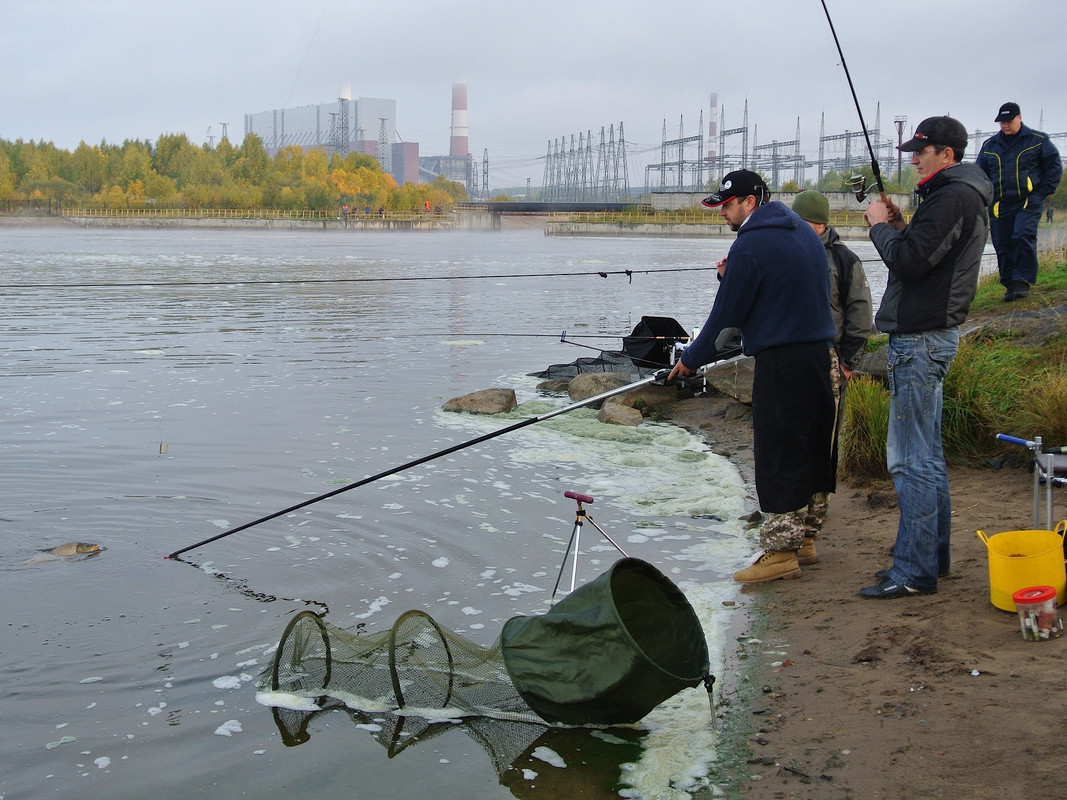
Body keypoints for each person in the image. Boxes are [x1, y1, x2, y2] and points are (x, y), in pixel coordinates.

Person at [668, 170, 837, 584]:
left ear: (751, 202)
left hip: (783, 365)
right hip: (821, 357)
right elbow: (782, 293)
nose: (723, 213)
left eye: (728, 205)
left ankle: (780, 554)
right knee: (815, 449)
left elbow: (725, 319)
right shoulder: (804, 233)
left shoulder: (749, 246)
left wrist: (690, 360)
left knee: (779, 453)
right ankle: (805, 540)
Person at [861, 116, 992, 598]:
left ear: (948, 155)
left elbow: (911, 263)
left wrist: (879, 228)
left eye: (922, 151)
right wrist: (899, 226)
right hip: (931, 337)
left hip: (920, 341)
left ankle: (913, 572)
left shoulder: (953, 196)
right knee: (928, 456)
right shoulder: (957, 195)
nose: (914, 157)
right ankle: (930, 560)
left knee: (908, 459)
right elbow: (925, 252)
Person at [790, 189, 876, 562]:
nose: (795, 229)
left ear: (820, 224)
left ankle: (809, 536)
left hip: (830, 364)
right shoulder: (785, 254)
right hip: (792, 364)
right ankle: (788, 530)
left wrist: (847, 361)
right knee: (789, 447)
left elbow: (861, 314)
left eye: (802, 222)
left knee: (821, 447)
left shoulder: (844, 259)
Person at [976, 102, 1062, 301]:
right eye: (1001, 122)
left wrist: (1040, 194)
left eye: (1008, 121)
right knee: (1002, 243)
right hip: (999, 203)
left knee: (1022, 235)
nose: (1005, 125)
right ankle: (1010, 284)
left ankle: (1022, 281)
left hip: (1028, 201)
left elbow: (1054, 168)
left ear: (1019, 118)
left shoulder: (1038, 140)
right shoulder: (990, 146)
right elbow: (980, 174)